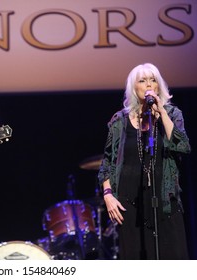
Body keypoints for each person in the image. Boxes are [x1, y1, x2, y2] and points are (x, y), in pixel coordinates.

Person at [97, 63, 191, 259]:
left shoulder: (172, 115)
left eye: (153, 79)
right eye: (142, 80)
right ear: (134, 87)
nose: (148, 84)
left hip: (165, 201)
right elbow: (108, 162)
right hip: (129, 205)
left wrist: (162, 113)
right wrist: (108, 195)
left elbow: (182, 146)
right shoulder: (119, 121)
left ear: (159, 86)